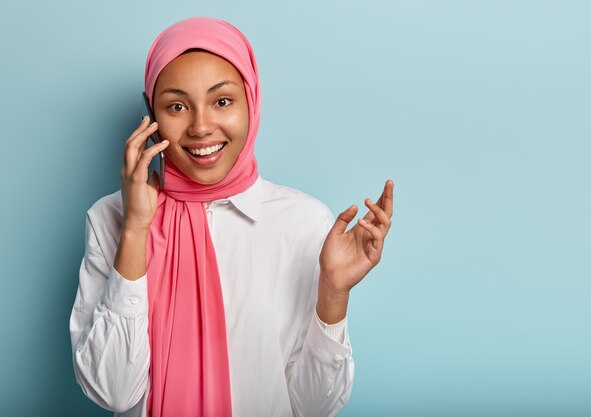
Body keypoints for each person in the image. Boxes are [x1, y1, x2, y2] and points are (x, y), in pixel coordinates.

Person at [69, 17, 393, 417]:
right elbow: (113, 391)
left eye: (222, 101)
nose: (202, 127)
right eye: (176, 106)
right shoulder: (110, 218)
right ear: (150, 115)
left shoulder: (304, 222)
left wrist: (334, 294)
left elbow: (313, 407)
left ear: (251, 101)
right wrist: (136, 229)